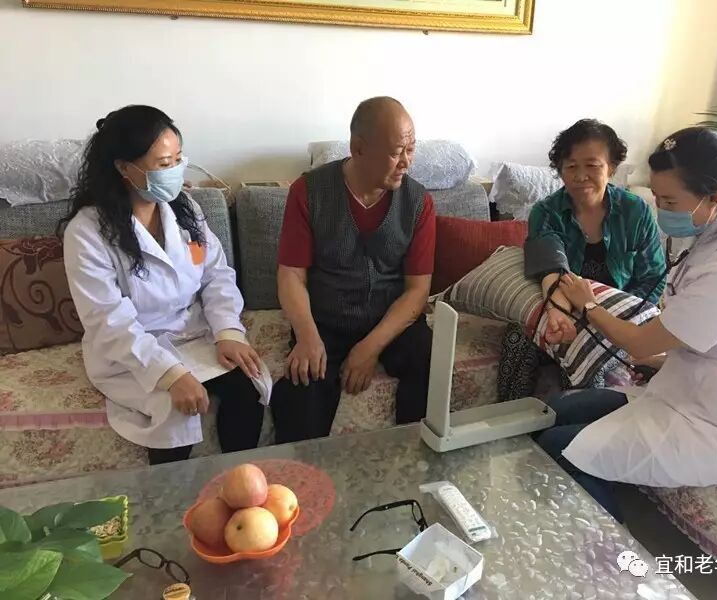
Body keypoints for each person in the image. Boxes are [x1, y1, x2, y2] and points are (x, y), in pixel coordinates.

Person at [535, 126, 717, 522]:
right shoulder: (713, 236)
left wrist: (588, 305)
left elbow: (641, 341)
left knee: (558, 445)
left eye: (669, 201)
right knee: (555, 409)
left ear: (714, 197)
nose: (659, 208)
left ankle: (611, 547)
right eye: (656, 197)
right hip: (690, 384)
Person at [62, 105, 270, 465]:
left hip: (192, 333)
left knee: (247, 385)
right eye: (163, 164)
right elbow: (109, 321)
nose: (175, 171)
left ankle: (240, 485)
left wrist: (228, 332)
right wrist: (170, 374)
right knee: (175, 409)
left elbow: (215, 275)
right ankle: (170, 496)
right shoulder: (87, 233)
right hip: (133, 351)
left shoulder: (185, 209)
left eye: (177, 159)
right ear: (124, 167)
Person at [270, 96, 436, 443]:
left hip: (390, 320)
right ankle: (302, 475)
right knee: (300, 391)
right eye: (397, 152)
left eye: (411, 149)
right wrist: (307, 335)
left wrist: (369, 348)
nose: (406, 162)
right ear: (358, 148)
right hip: (326, 321)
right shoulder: (309, 192)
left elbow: (417, 290)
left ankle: (415, 462)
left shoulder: (418, 202)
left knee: (429, 359)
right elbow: (291, 275)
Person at [527, 119, 666, 345]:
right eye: (571, 167)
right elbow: (551, 270)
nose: (581, 176)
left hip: (624, 315)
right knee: (522, 342)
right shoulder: (546, 213)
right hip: (568, 311)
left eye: (592, 165)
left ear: (611, 167)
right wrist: (562, 314)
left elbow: (653, 278)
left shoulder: (635, 211)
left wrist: (614, 319)